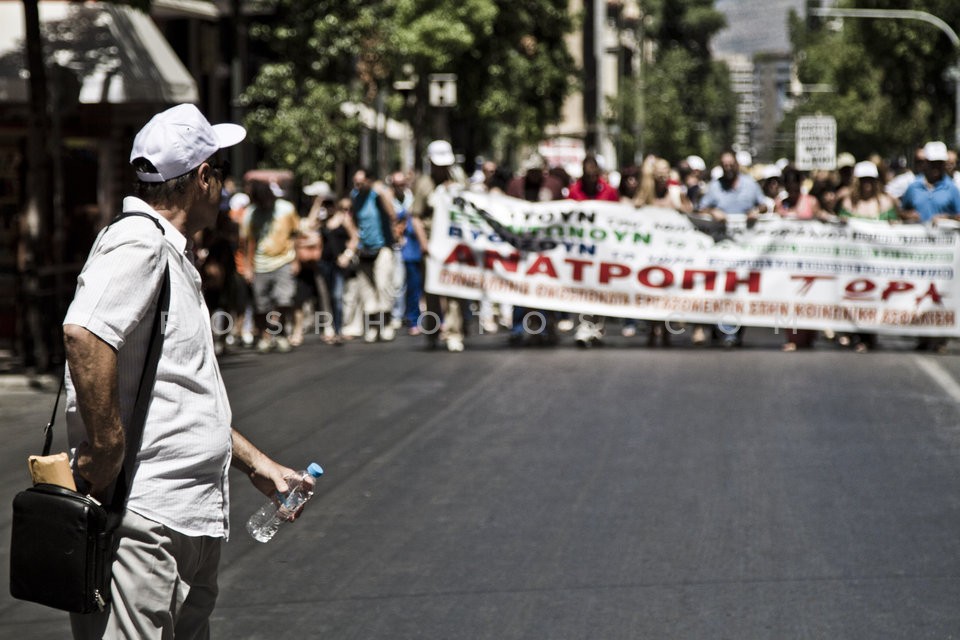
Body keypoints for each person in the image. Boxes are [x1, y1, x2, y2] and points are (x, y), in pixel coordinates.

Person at [62, 103, 308, 639]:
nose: (222, 187)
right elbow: (84, 334)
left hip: (185, 513)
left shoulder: (169, 251)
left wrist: (256, 464)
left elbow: (183, 389)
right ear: (202, 179)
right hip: (146, 515)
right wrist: (104, 453)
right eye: (219, 173)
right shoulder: (139, 242)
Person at [697, 149, 768, 348]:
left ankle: (734, 331)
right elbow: (701, 209)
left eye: (731, 164)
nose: (728, 168)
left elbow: (763, 205)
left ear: (737, 165)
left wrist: (756, 211)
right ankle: (721, 329)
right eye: (725, 165)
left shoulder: (749, 185)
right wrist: (712, 211)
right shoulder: (715, 187)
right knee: (720, 289)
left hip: (745, 249)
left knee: (739, 290)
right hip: (721, 249)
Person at [411, 140, 468, 351]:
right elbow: (415, 217)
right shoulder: (424, 184)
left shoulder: (458, 182)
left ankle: (454, 333)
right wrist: (424, 244)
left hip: (454, 246)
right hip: (432, 246)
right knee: (433, 291)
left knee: (455, 290)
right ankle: (432, 333)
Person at [837, 160, 899, 353]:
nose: (867, 185)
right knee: (853, 297)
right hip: (854, 260)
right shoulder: (849, 202)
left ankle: (868, 336)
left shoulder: (885, 202)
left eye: (870, 180)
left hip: (877, 261)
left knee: (872, 298)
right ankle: (853, 332)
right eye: (863, 180)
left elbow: (895, 225)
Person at [243, 180, 300, 353]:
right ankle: (265, 336)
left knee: (284, 300)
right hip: (261, 264)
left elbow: (295, 234)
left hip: (284, 260)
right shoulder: (250, 214)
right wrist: (248, 266)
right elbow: (248, 242)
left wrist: (296, 259)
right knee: (262, 305)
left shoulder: (286, 209)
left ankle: (278, 334)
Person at [350, 168, 398, 342]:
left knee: (383, 285)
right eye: (356, 183)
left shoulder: (377, 196)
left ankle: (386, 324)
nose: (358, 186)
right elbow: (354, 220)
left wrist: (381, 192)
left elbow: (392, 213)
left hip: (382, 247)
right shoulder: (355, 197)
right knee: (367, 290)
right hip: (364, 249)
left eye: (361, 183)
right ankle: (372, 326)